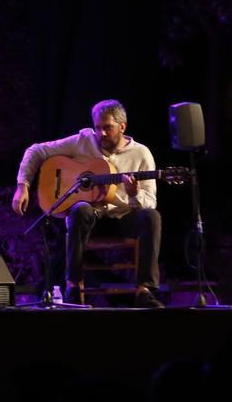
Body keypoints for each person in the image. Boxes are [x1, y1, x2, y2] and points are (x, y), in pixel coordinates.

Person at [11, 98, 164, 307]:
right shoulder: (83, 141)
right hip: (90, 218)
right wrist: (23, 185)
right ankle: (73, 286)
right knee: (81, 208)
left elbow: (150, 201)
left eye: (107, 128)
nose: (101, 133)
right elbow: (36, 150)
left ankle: (144, 291)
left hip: (122, 218)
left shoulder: (141, 154)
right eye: (97, 127)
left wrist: (133, 194)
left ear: (122, 127)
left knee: (151, 216)